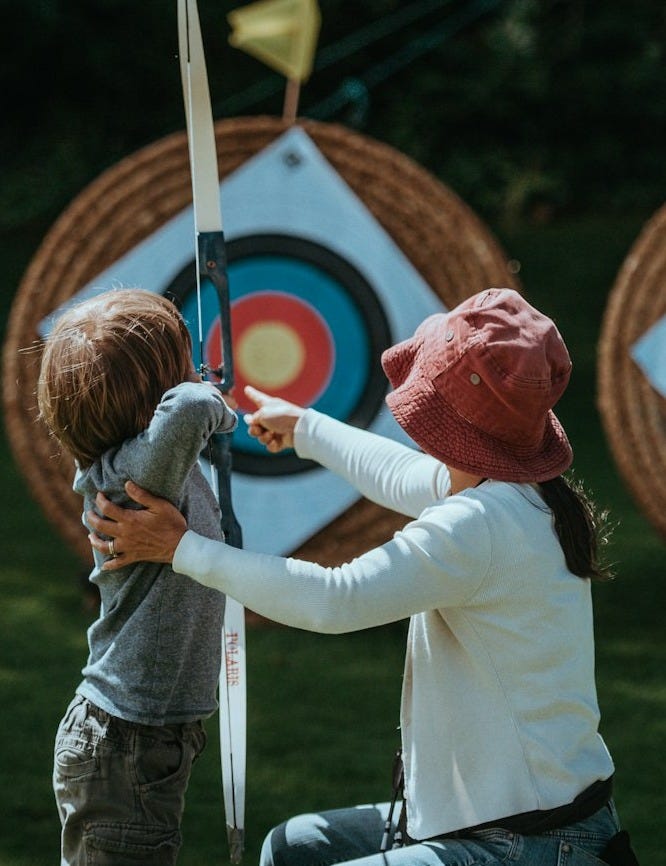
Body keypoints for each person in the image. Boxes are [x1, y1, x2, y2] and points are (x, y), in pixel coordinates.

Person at [87, 288, 638, 866]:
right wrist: (307, 428)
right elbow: (406, 475)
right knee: (295, 847)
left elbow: (335, 600)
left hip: (535, 840)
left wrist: (181, 549)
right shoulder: (518, 493)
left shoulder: (481, 524)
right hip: (496, 817)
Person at [37, 288, 237, 866]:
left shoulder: (140, 461)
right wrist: (218, 402)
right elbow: (193, 410)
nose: (196, 375)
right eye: (184, 366)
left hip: (142, 736)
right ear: (159, 396)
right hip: (128, 742)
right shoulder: (138, 474)